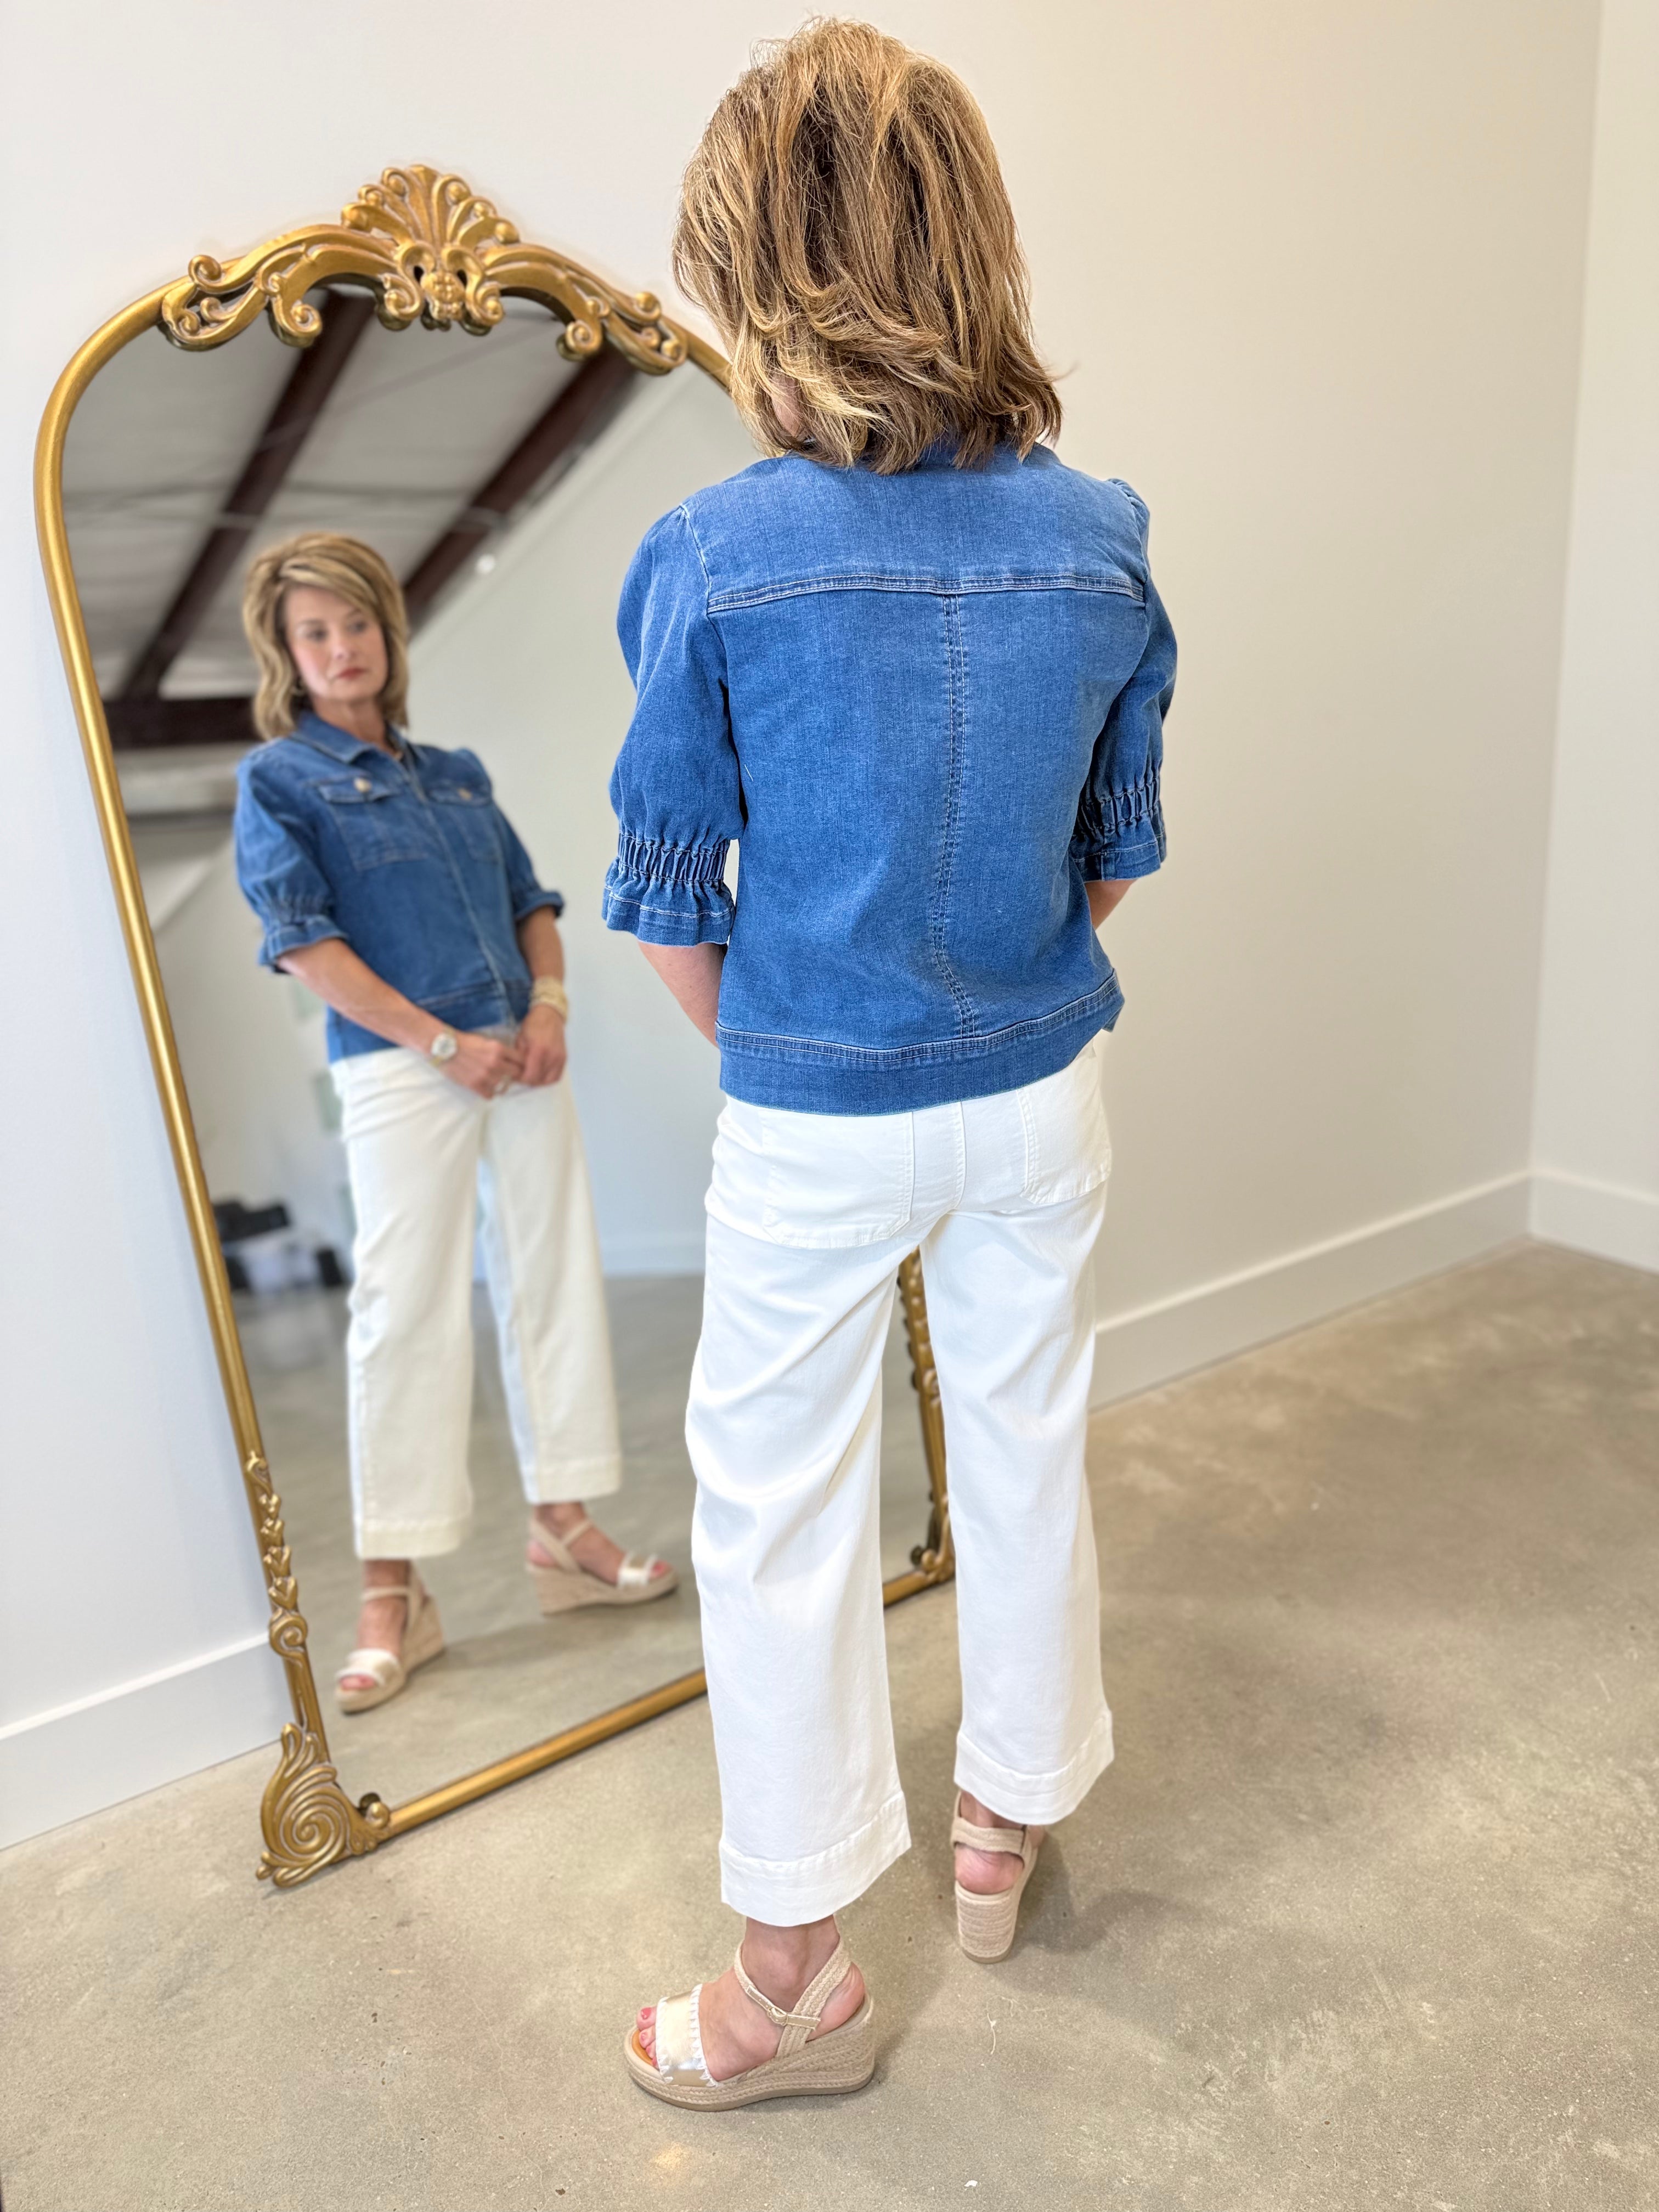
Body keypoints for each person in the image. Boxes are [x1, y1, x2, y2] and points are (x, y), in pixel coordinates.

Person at [608, 22, 1176, 2109]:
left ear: (756, 270)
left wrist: (794, 1040)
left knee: (778, 1510)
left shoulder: (716, 553)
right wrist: (989, 999)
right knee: (1026, 1440)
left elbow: (669, 905)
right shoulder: (1099, 536)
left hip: (815, 1109)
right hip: (1039, 1087)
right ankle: (1003, 1825)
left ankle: (790, 1989)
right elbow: (1109, 859)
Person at [233, 532, 676, 1716]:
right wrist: (443, 1043)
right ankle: (394, 1591)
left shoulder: (458, 774)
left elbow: (533, 904)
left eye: (357, 624)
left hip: (522, 1051)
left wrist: (550, 1007)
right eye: (316, 632)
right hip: (399, 1067)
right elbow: (304, 945)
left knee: (551, 1278)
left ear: (387, 634)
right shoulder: (279, 782)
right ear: (287, 654)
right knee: (402, 1311)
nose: (342, 648)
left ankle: (563, 1528)